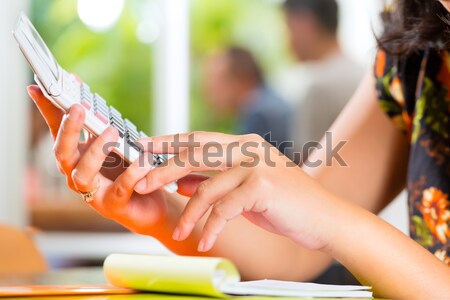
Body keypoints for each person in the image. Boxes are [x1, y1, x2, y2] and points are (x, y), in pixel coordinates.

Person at [27, 0, 450, 299]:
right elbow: (291, 246)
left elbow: (322, 217)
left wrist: (329, 216)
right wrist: (160, 208)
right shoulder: (412, 54)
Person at [278, 0, 363, 162]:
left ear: (305, 24)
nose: (287, 40)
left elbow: (303, 169)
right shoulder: (366, 76)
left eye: (289, 28)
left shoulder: (319, 89)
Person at [203, 46, 292, 155]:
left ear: (242, 78)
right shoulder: (267, 103)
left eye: (218, 80)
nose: (209, 89)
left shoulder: (260, 116)